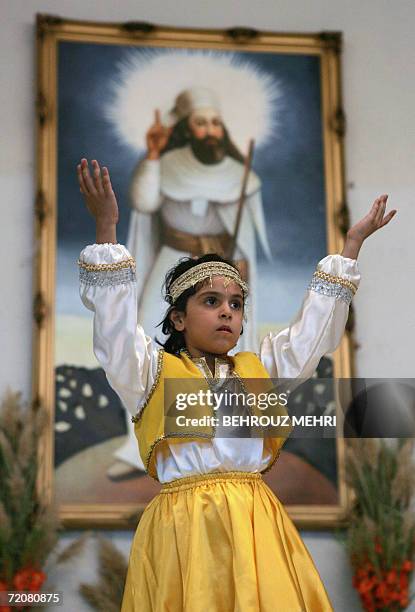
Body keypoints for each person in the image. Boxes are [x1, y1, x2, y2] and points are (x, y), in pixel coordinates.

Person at [77, 157, 396, 611]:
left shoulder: (257, 371)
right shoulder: (150, 372)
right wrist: (107, 228)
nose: (227, 311)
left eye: (236, 303)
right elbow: (114, 333)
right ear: (179, 318)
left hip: (255, 525)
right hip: (182, 530)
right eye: (211, 301)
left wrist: (351, 247)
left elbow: (311, 337)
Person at [112, 87, 271, 480]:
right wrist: (152, 155)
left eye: (215, 123)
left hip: (224, 271)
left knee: (230, 355)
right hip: (174, 261)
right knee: (147, 346)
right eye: (201, 123)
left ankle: (230, 446)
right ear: (187, 127)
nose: (210, 130)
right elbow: (145, 202)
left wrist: (241, 267)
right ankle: (148, 444)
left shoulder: (240, 175)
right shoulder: (166, 165)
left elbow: (246, 232)